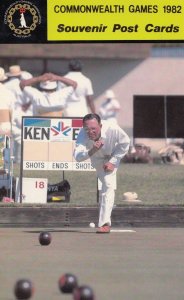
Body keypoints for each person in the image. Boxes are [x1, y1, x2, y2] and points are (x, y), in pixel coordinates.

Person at [73, 113, 130, 233]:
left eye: (93, 128)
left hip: (112, 157)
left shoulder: (113, 128)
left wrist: (113, 161)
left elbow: (125, 143)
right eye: (87, 129)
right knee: (106, 185)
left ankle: (104, 224)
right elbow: (77, 157)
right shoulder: (82, 135)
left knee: (108, 185)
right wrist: (92, 150)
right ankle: (104, 219)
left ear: (100, 125)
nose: (90, 132)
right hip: (97, 159)